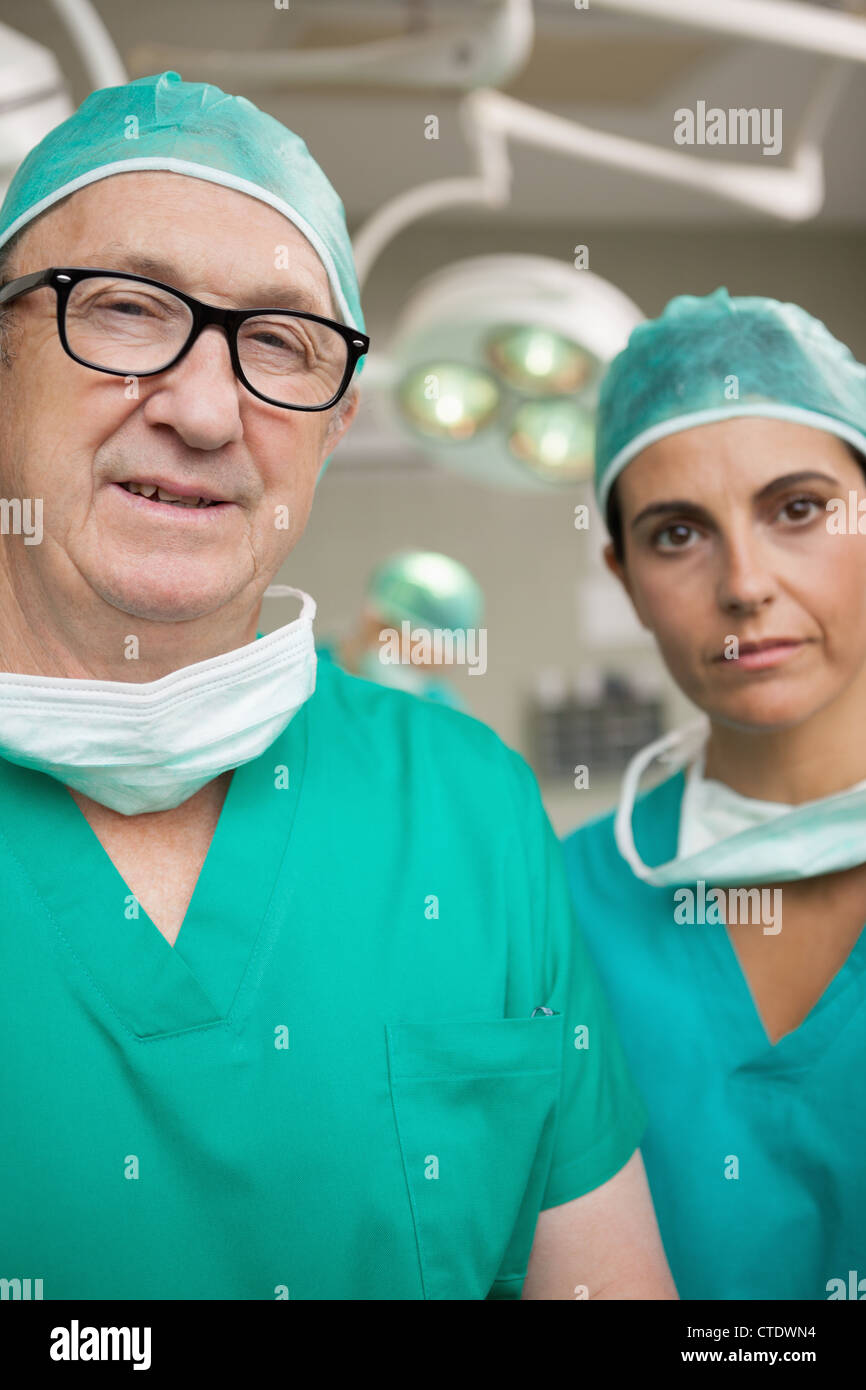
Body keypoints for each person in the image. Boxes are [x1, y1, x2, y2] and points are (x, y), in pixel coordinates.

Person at [0, 71, 675, 1301]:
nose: (206, 408)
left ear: (335, 421)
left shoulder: (467, 808)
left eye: (278, 344)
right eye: (126, 310)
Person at [562, 288, 866, 1300]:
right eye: (675, 533)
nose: (743, 584)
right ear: (623, 574)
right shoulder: (560, 911)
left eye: (796, 509)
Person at [319, 548, 484, 710]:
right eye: (408, 659)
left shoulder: (440, 708)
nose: (412, 674)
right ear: (373, 622)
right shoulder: (306, 680)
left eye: (424, 668)